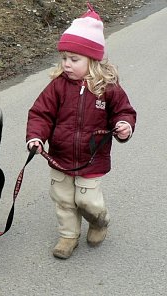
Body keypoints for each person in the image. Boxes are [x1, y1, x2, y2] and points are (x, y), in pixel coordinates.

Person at [25, 3, 137, 259]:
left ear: (93, 60)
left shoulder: (107, 88)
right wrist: (36, 137)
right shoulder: (57, 87)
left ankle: (99, 221)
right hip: (60, 156)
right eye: (64, 58)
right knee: (63, 199)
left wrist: (124, 126)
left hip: (92, 157)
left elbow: (124, 111)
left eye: (74, 59)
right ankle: (68, 236)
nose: (67, 64)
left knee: (88, 201)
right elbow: (40, 113)